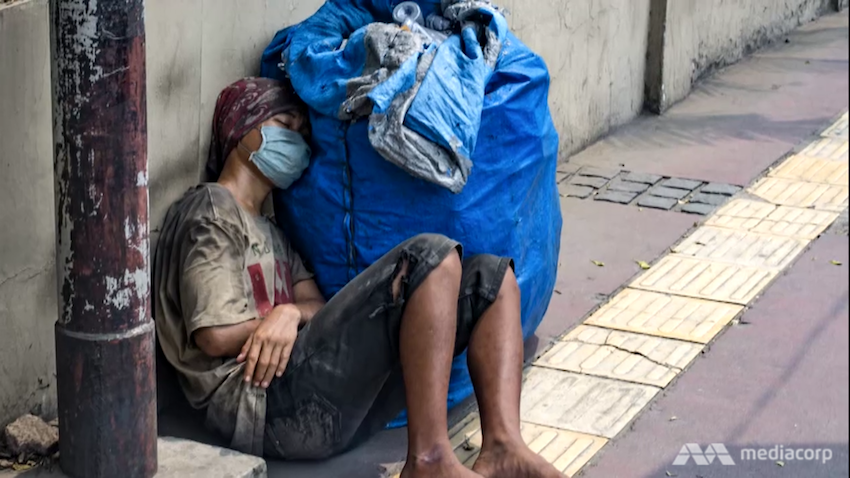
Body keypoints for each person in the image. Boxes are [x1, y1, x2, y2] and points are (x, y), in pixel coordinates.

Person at [154, 77, 564, 478]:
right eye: (284, 126)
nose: (297, 140)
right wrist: (274, 320)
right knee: (427, 259)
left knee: (490, 280)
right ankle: (429, 461)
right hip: (260, 405)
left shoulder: (273, 231)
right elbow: (212, 333)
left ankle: (503, 445)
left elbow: (314, 304)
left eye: (302, 132)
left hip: (320, 408)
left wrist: (290, 314)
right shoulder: (210, 208)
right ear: (241, 130)